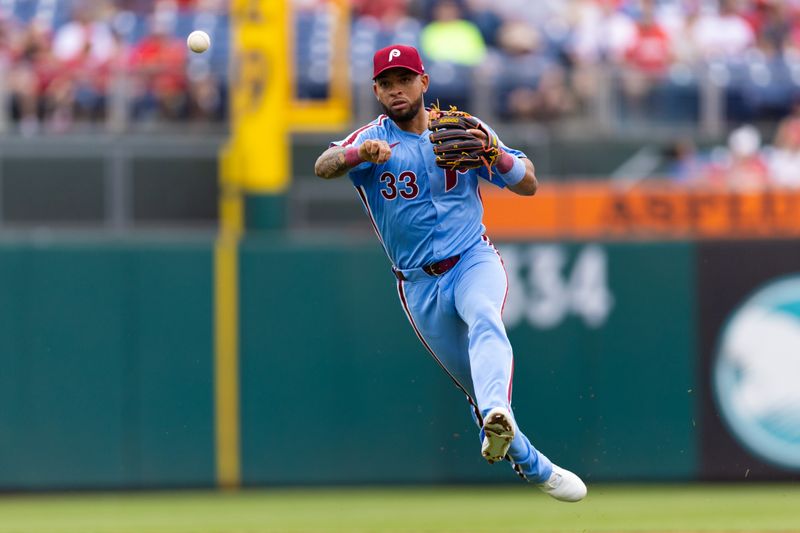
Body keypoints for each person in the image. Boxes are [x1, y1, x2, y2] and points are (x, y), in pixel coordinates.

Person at [314, 44, 587, 502]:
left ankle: (498, 412)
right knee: (475, 386)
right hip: (417, 285)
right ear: (376, 91)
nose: (395, 89)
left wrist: (495, 154)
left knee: (484, 315)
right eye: (386, 83)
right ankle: (527, 458)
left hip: (471, 259)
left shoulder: (463, 129)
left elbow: (528, 183)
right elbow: (323, 166)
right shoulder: (371, 137)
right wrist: (360, 153)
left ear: (424, 82)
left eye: (404, 79)